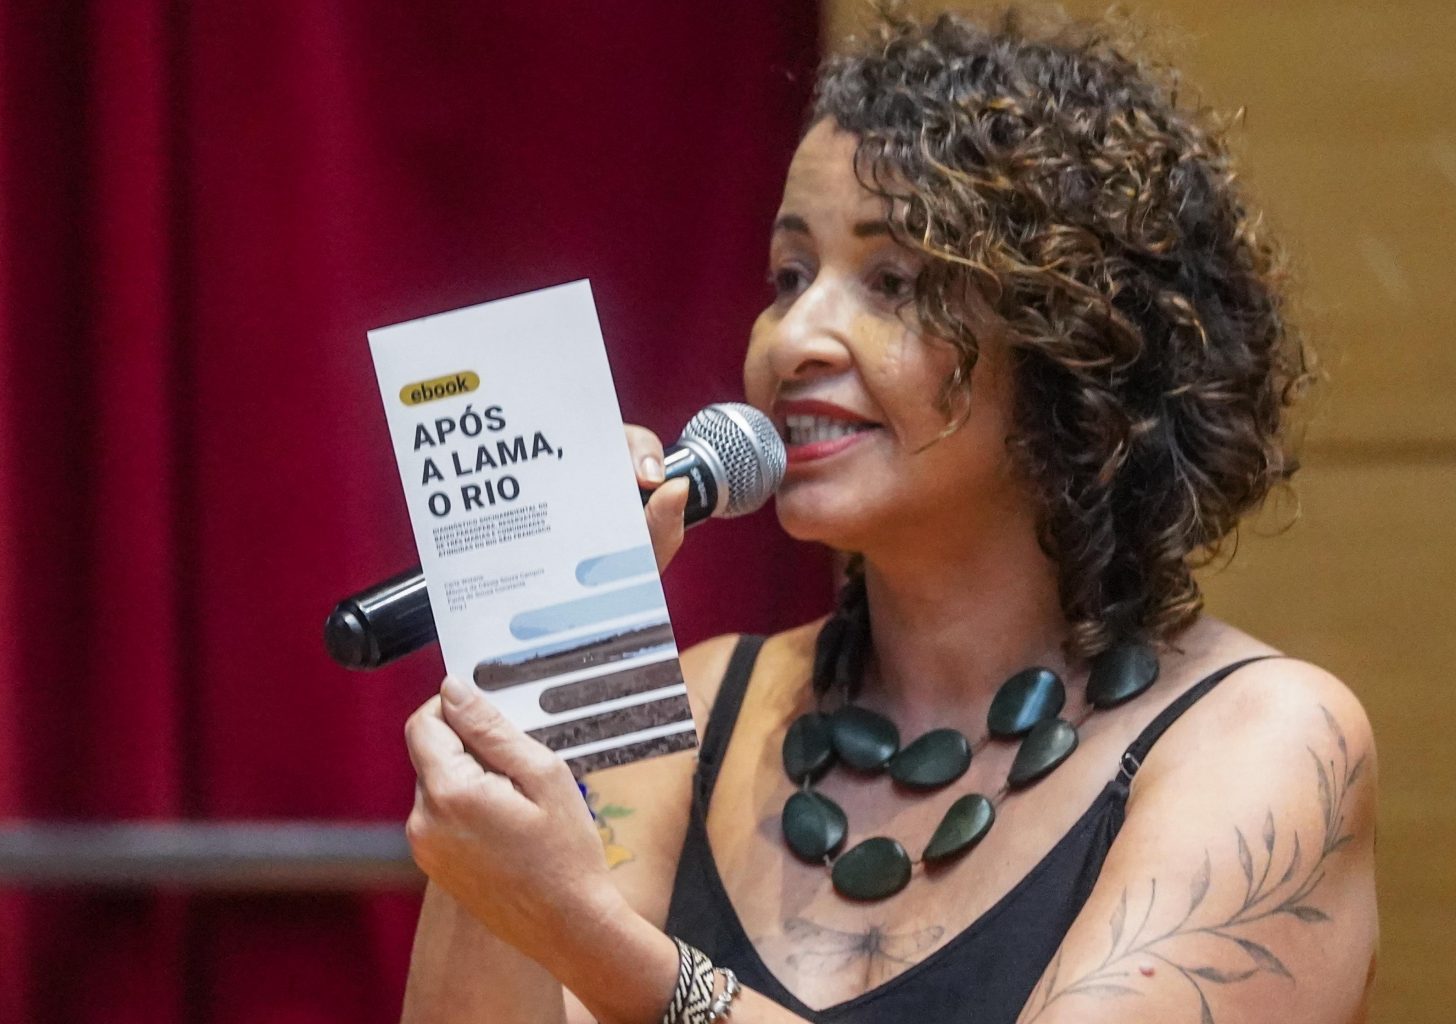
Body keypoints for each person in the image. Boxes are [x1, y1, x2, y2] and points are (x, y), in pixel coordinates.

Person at [397, 8, 1378, 1024]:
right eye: (788, 277)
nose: (795, 338)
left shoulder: (1268, 740)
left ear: (1074, 344)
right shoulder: (695, 707)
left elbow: (576, 937)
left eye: (894, 281)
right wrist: (529, 694)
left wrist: (593, 939)